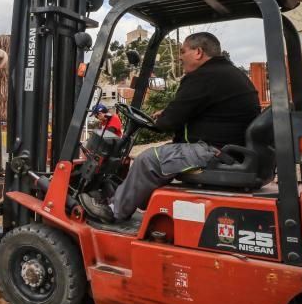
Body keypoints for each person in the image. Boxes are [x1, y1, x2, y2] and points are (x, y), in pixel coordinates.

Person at [90, 32, 261, 223]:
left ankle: (113, 210)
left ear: (198, 52)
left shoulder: (203, 76)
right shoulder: (226, 73)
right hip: (230, 149)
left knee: (147, 160)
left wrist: (162, 118)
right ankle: (137, 199)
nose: (180, 57)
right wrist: (166, 114)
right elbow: (198, 109)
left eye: (183, 51)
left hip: (215, 151)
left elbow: (168, 123)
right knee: (156, 159)